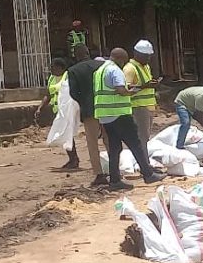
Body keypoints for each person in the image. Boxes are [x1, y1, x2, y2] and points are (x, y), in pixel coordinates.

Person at [94, 47, 166, 190]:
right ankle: (148, 174)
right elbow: (121, 90)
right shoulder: (115, 70)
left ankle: (114, 181)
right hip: (119, 114)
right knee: (136, 144)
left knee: (115, 148)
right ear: (120, 59)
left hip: (105, 116)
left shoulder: (100, 71)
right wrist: (131, 92)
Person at [66, 44, 108, 185]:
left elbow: (73, 93)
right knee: (110, 140)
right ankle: (115, 171)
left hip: (89, 111)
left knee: (92, 143)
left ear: (76, 55)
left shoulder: (73, 70)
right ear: (88, 52)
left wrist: (84, 103)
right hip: (107, 108)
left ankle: (99, 174)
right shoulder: (102, 65)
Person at [36, 58, 79, 169]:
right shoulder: (51, 78)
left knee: (66, 134)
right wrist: (40, 108)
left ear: (61, 67)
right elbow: (48, 95)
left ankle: (74, 159)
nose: (51, 69)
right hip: (58, 111)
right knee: (64, 134)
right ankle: (73, 158)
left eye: (53, 67)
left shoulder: (68, 76)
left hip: (68, 110)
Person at [124, 40, 157, 152]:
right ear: (137, 54)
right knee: (142, 137)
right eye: (146, 56)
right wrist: (144, 86)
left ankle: (144, 161)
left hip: (148, 106)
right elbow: (126, 88)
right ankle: (144, 163)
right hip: (138, 107)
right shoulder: (130, 68)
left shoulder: (146, 66)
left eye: (149, 56)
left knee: (145, 136)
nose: (148, 59)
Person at [174, 84, 203, 149]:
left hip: (194, 105)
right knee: (186, 123)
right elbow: (200, 114)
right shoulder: (201, 96)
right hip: (183, 103)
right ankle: (179, 146)